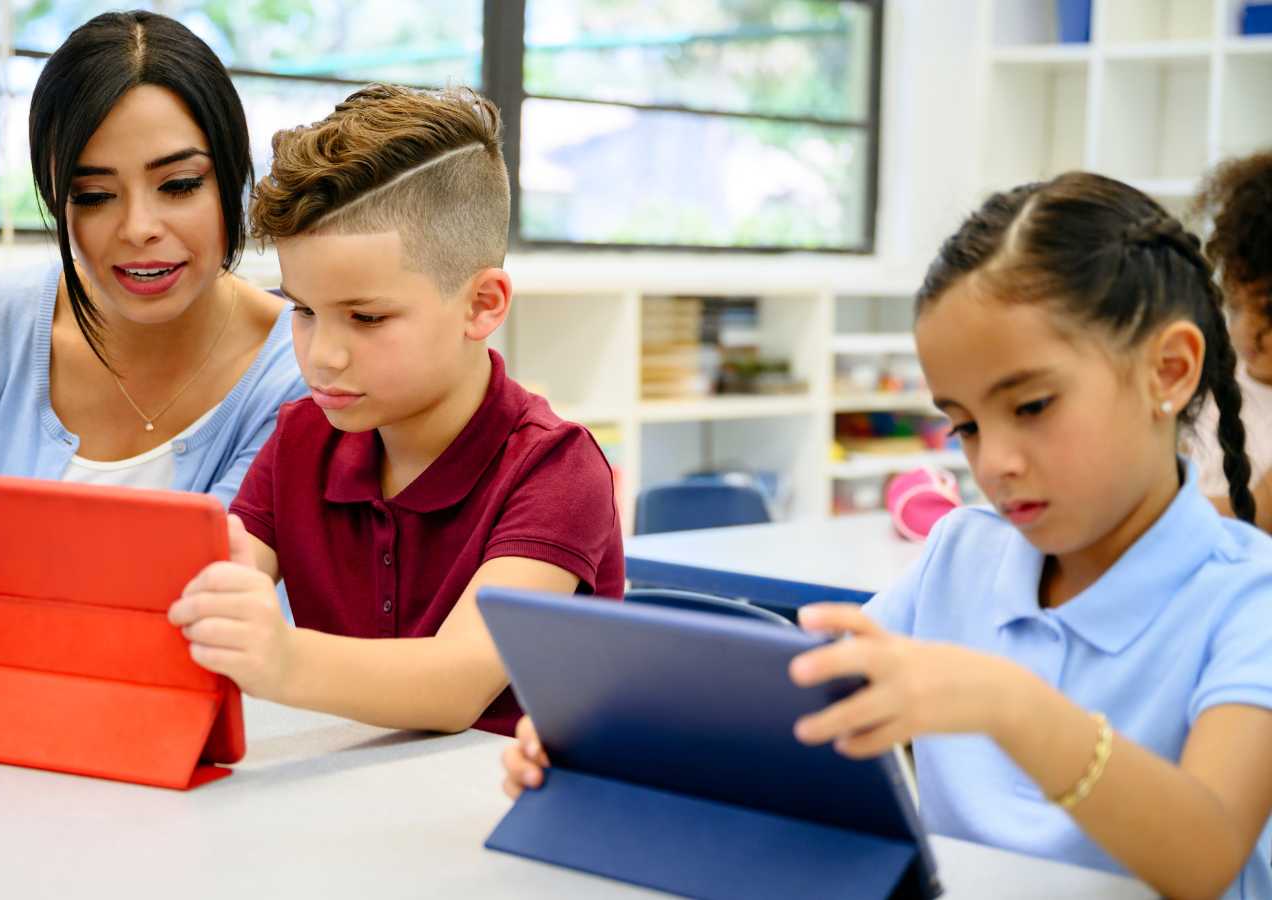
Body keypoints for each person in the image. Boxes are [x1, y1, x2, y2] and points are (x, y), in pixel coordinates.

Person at [503, 173, 1272, 898]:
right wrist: (613, 743)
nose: (994, 463)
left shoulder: (1250, 598)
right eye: (965, 425)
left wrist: (1010, 704)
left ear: (1168, 372)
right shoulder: (963, 554)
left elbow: (1206, 855)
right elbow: (797, 708)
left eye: (1033, 405)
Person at [0, 11, 306, 730]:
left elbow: (189, 619)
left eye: (178, 185)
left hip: (169, 772)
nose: (138, 226)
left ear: (230, 176)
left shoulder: (300, 367)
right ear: (55, 200)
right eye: (94, 194)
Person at [165, 84, 624, 736]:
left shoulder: (556, 469)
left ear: (483, 305)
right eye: (302, 310)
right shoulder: (300, 438)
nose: (323, 355)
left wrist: (282, 656)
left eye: (366, 317)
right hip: (354, 808)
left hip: (501, 813)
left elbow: (458, 682)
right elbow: (218, 587)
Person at [1187, 150, 1272, 530]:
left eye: (1269, 311)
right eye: (1235, 308)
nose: (1242, 333)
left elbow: (1259, 516)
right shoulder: (1212, 383)